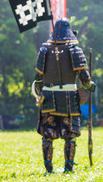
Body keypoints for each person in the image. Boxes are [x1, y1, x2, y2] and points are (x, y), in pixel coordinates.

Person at [33, 18, 96, 173]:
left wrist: (41, 94)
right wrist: (90, 86)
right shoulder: (75, 50)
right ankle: (68, 167)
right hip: (69, 98)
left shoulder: (44, 50)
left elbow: (38, 78)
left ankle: (49, 168)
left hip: (48, 97)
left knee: (47, 134)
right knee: (70, 134)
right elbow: (84, 77)